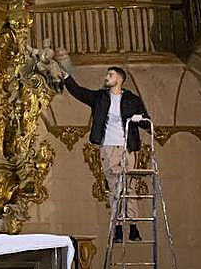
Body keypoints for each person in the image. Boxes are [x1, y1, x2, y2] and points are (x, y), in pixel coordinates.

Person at [62, 66, 150, 240]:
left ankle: (133, 226)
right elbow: (79, 92)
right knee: (116, 187)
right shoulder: (100, 97)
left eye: (110, 75)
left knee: (129, 186)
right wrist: (66, 77)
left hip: (127, 147)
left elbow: (146, 120)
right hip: (108, 147)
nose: (106, 77)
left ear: (119, 79)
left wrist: (143, 121)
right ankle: (117, 226)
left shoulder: (132, 99)